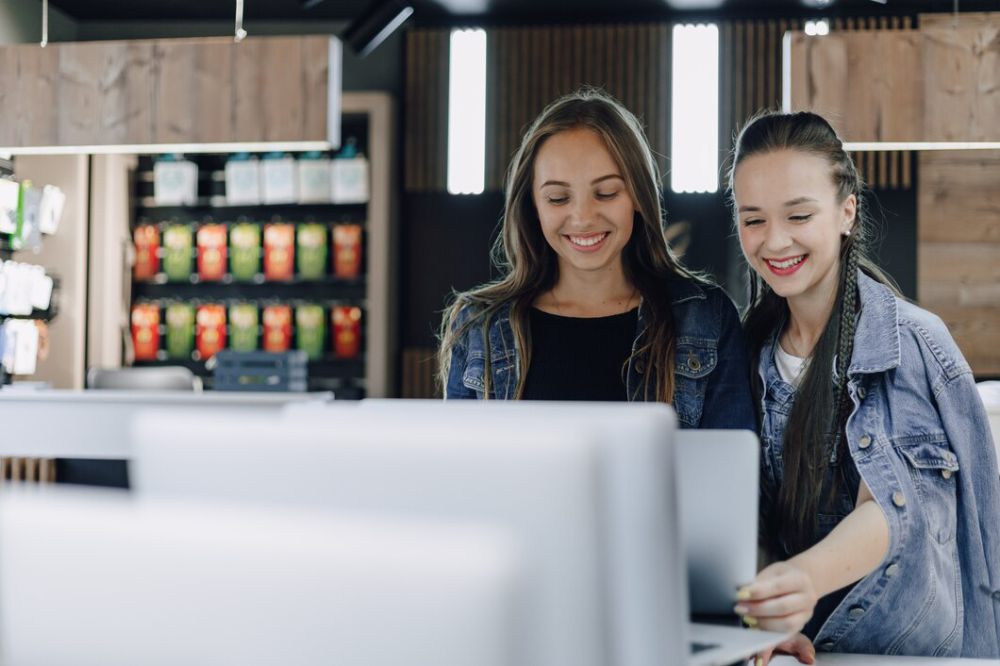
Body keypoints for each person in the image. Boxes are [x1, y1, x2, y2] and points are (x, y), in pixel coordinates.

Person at [728, 110, 1000, 663]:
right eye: (752, 220)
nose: (774, 241)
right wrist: (770, 607)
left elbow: (897, 504)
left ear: (846, 211)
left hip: (900, 650)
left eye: (798, 215)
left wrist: (801, 579)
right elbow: (742, 510)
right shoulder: (748, 350)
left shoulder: (907, 342)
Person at [438, 88, 753, 429]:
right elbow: (463, 474)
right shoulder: (479, 326)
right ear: (533, 207)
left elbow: (729, 471)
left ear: (637, 194)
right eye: (558, 198)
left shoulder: (705, 317)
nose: (583, 217)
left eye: (606, 193)